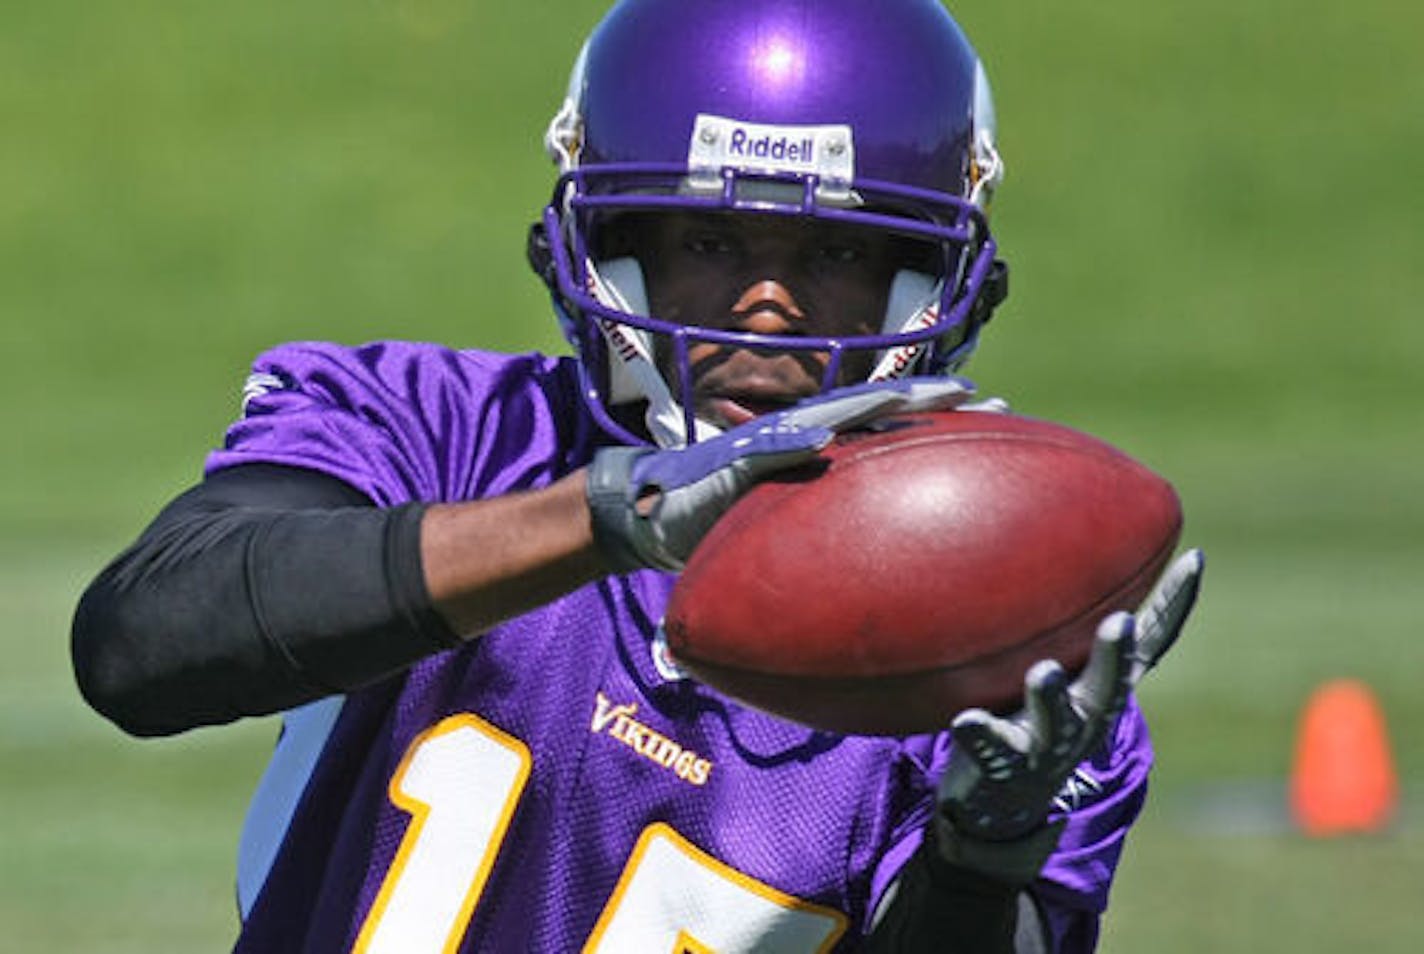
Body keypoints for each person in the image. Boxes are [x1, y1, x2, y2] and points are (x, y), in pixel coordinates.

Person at [71, 1, 1204, 951]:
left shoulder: (999, 646)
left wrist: (979, 861)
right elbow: (140, 646)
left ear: (934, 284)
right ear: (604, 247)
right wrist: (621, 515)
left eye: (841, 254)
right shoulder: (437, 428)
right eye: (709, 246)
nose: (771, 310)